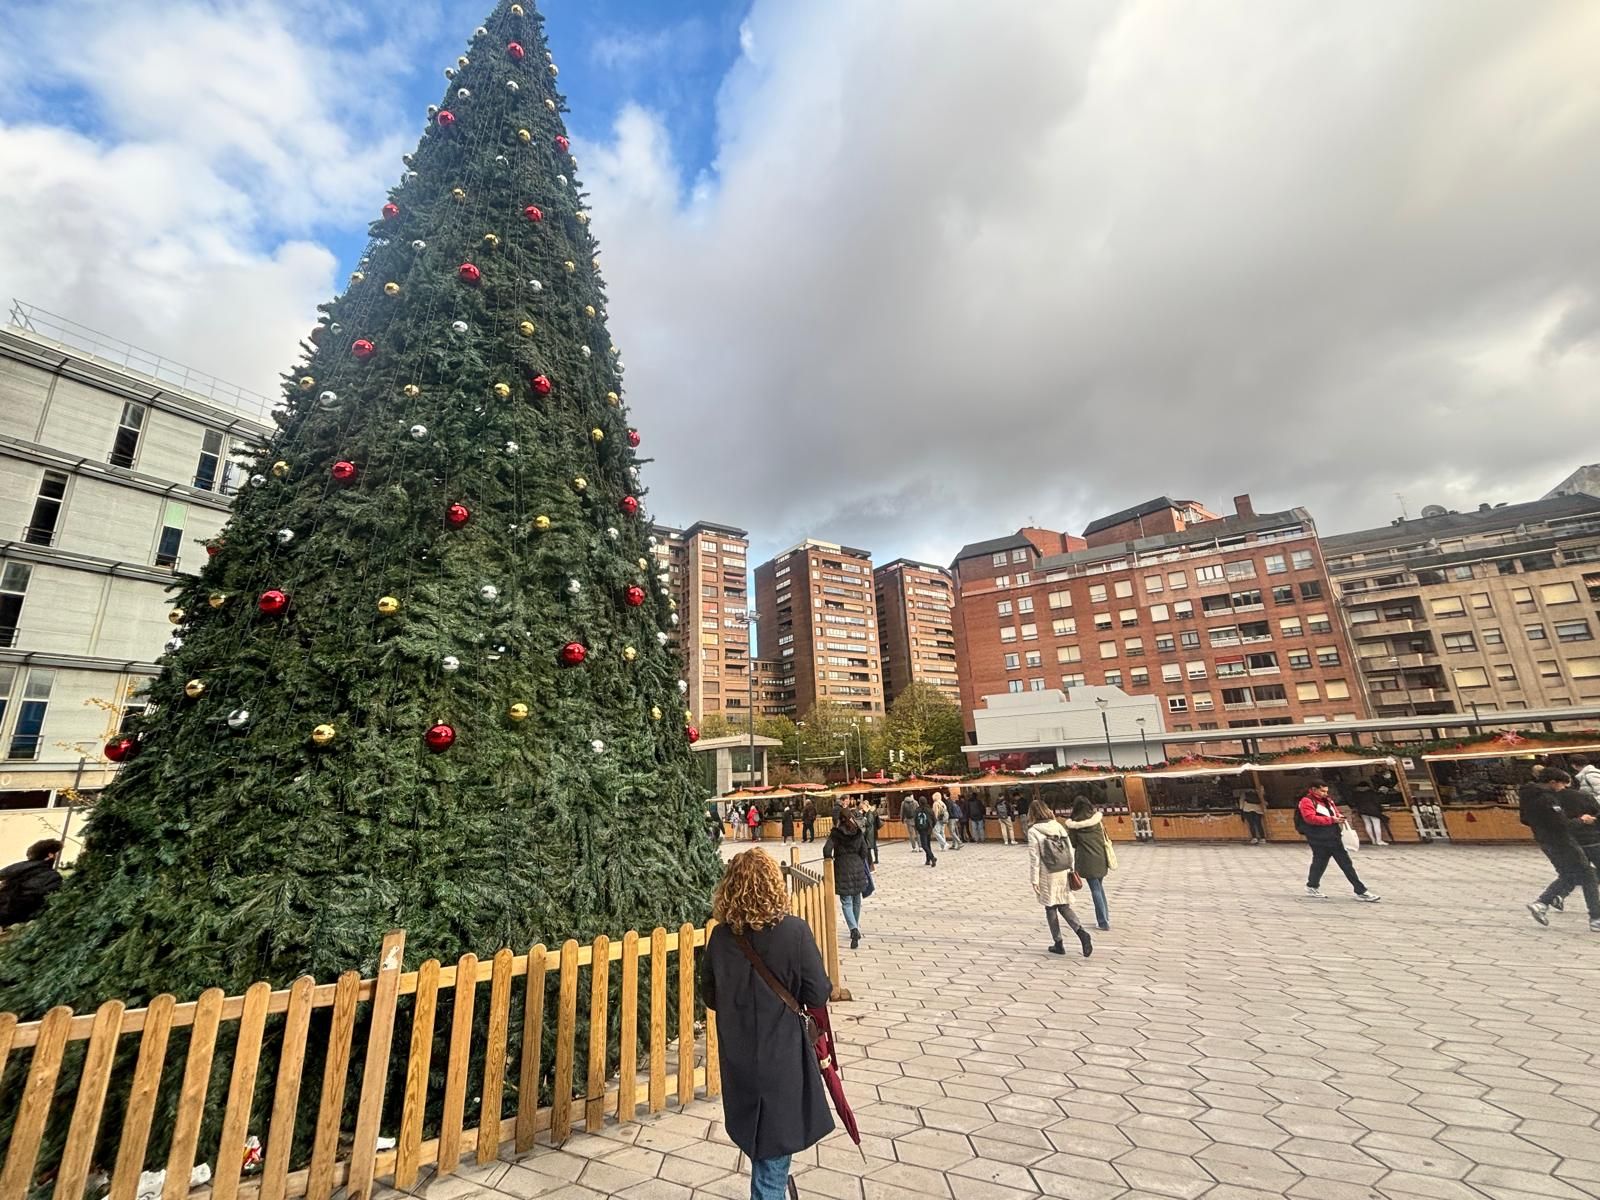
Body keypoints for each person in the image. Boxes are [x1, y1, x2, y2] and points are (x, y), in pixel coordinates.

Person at [702, 850, 834, 1199]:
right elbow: (819, 992)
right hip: (783, 1058)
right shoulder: (794, 932)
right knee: (770, 1169)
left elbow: (710, 996)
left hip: (740, 1058)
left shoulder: (720, 938)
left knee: (766, 1150)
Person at [1522, 768, 1600, 930]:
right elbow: (1562, 824)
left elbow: (1525, 819)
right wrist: (1582, 820)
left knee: (1569, 874)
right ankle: (1596, 918)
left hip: (1545, 841)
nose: (1563, 789)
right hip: (1563, 842)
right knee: (1588, 875)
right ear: (1552, 782)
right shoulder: (1546, 799)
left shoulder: (1528, 796)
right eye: (1562, 784)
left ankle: (1542, 903)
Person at [1026, 799, 1092, 957]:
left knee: (1050, 907)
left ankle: (1058, 943)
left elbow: (1035, 858)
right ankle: (1081, 932)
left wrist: (1034, 879)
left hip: (1047, 872)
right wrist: (1071, 868)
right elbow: (1069, 849)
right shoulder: (1058, 826)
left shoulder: (1033, 830)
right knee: (1063, 905)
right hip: (1063, 870)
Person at [1298, 780, 1380, 902]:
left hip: (1332, 834)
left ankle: (1312, 885)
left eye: (1326, 791)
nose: (1325, 793)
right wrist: (1332, 820)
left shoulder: (1328, 800)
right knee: (1345, 863)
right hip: (1320, 836)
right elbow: (1310, 818)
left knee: (1320, 862)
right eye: (1322, 791)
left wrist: (1338, 817)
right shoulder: (1307, 801)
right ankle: (1360, 890)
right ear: (1313, 789)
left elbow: (1334, 811)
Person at [824, 803, 872, 949]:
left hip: (842, 866)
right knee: (856, 899)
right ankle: (855, 927)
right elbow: (864, 850)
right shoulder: (857, 832)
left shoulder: (836, 833)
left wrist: (830, 859)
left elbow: (827, 849)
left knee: (846, 901)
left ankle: (853, 929)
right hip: (857, 866)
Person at [1064, 798, 1114, 931]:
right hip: (1101, 858)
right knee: (1100, 888)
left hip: (1086, 860)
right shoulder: (1097, 821)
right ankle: (1105, 918)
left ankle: (1103, 921)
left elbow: (1073, 843)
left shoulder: (1074, 825)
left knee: (1095, 889)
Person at [0, 839, 63, 927]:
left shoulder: (16, 867)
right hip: (20, 920)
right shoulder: (53, 876)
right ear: (50, 855)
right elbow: (49, 901)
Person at [1350, 781, 1386, 846]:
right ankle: (1379, 840)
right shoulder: (1371, 792)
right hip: (1373, 810)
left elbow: (1354, 802)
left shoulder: (1356, 793)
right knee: (1376, 825)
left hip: (1362, 811)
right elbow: (1377, 802)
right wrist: (1380, 809)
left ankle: (1373, 840)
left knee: (1367, 824)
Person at [913, 799, 937, 867]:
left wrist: (917, 828)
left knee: (924, 845)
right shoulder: (930, 810)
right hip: (929, 829)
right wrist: (931, 827)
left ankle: (932, 858)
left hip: (922, 829)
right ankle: (928, 860)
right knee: (928, 845)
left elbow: (915, 820)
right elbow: (934, 820)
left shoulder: (917, 810)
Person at [861, 800, 880, 865]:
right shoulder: (869, 812)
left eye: (863, 806)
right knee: (873, 845)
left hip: (871, 831)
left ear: (866, 805)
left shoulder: (870, 812)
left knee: (871, 846)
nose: (862, 807)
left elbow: (869, 822)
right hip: (872, 831)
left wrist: (864, 821)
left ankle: (873, 861)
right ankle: (875, 860)